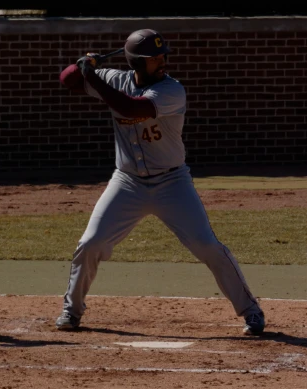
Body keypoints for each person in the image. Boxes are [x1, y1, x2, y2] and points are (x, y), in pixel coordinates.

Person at [55, 29, 266, 335]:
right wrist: (82, 65)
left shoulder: (172, 90)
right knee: (90, 243)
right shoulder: (115, 79)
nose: (162, 61)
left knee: (206, 244)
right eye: (154, 58)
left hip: (172, 184)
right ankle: (71, 311)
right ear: (137, 63)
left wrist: (94, 75)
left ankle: (251, 311)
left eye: (163, 55)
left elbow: (131, 108)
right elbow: (67, 80)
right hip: (126, 183)